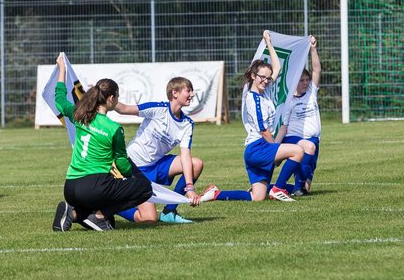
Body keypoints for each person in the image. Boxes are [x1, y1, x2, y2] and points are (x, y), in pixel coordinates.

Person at [52, 53, 152, 232]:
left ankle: (72, 213)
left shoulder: (79, 114)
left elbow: (59, 100)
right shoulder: (113, 128)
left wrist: (62, 70)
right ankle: (98, 217)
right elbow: (122, 163)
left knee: (111, 222)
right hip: (94, 186)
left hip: (70, 187)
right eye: (117, 96)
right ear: (111, 99)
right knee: (145, 189)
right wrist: (136, 178)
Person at [111, 76, 219, 224]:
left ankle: (169, 211)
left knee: (196, 164)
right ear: (175, 93)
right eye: (188, 90)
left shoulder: (187, 124)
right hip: (133, 167)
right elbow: (124, 109)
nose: (192, 94)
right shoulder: (157, 109)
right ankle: (106, 205)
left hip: (156, 165)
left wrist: (189, 187)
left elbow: (185, 156)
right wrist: (104, 97)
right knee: (149, 219)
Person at [216, 31, 304, 203]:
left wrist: (268, 43)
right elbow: (263, 130)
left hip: (258, 149)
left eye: (267, 77)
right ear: (253, 76)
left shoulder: (266, 91)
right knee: (297, 151)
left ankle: (216, 194)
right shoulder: (253, 99)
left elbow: (277, 68)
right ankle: (278, 189)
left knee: (257, 197)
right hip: (258, 148)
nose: (265, 80)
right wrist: (275, 151)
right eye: (261, 77)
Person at [273, 34, 322, 196]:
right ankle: (294, 187)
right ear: (295, 82)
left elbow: (317, 69)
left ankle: (268, 187)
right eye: (302, 80)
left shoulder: (311, 93)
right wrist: (274, 148)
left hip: (313, 138)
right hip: (294, 138)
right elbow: (284, 126)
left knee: (306, 188)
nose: (306, 83)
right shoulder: (289, 101)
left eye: (307, 79)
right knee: (309, 147)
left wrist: (313, 49)